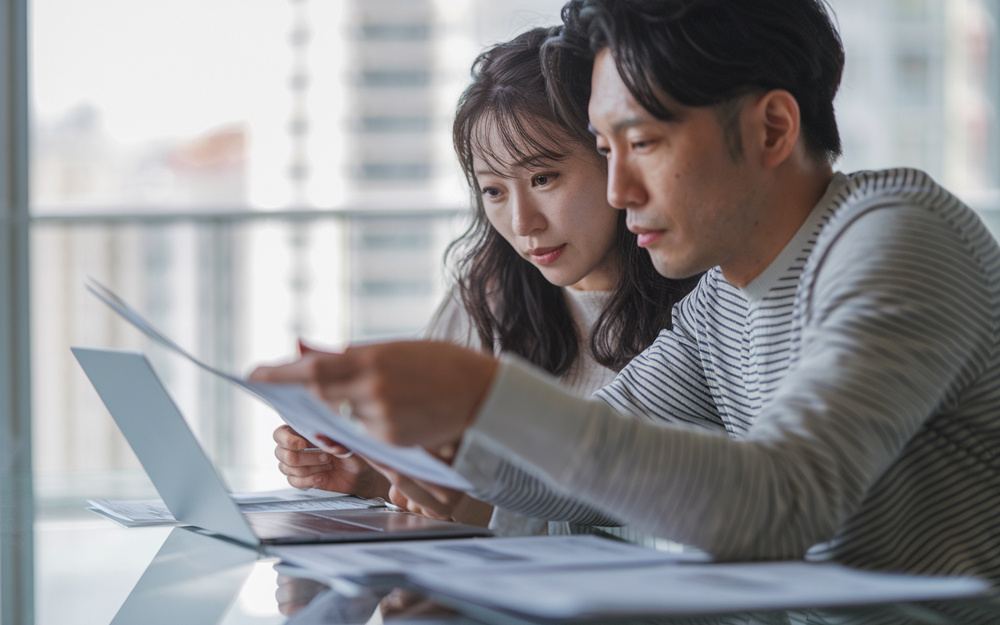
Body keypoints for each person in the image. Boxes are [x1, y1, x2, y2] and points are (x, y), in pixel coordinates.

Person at [252, 0, 1000, 583]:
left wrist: (483, 394)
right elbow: (582, 479)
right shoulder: (723, 299)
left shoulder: (897, 235)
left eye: (642, 143)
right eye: (605, 150)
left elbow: (782, 501)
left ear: (773, 128)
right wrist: (421, 449)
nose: (617, 188)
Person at [270, 26, 698, 538]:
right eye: (493, 191)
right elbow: (477, 502)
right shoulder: (490, 292)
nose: (523, 222)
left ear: (614, 153)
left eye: (543, 179)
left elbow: (654, 503)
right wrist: (376, 476)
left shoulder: (702, 306)